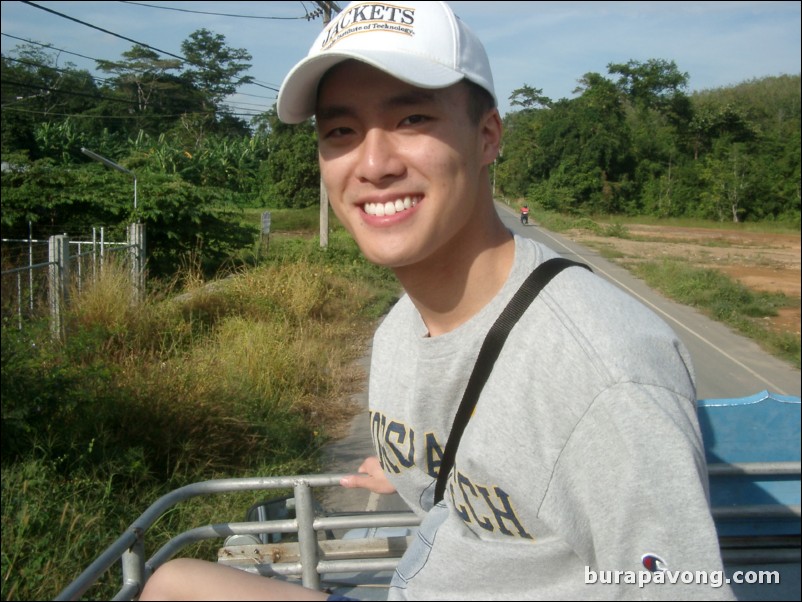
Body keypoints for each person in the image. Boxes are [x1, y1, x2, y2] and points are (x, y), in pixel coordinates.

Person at [141, 1, 735, 600]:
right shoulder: (400, 328)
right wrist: (411, 476)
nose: (372, 165)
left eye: (412, 119)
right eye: (340, 131)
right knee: (170, 581)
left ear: (487, 137)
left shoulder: (605, 376)